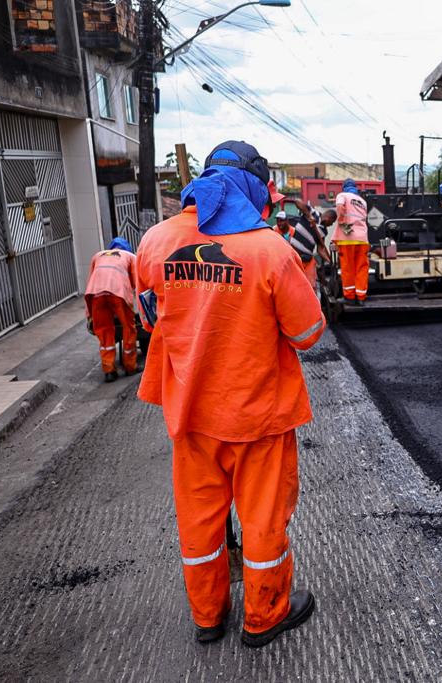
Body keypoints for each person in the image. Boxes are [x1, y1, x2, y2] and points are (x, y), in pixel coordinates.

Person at [135, 140, 325, 647]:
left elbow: (151, 319)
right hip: (258, 417)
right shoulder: (269, 250)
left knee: (200, 522)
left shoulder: (154, 242)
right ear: (254, 186)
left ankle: (207, 617)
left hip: (190, 415)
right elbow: (307, 335)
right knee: (263, 522)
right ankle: (264, 617)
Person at [84, 237, 138, 382]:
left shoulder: (98, 255)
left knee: (104, 330)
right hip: (118, 292)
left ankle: (109, 370)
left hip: (95, 294)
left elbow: (91, 279)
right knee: (129, 328)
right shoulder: (130, 256)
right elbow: (135, 283)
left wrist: (89, 314)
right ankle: (130, 366)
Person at [333, 179, 369, 304]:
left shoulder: (342, 195)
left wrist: (343, 224)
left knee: (348, 268)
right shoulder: (362, 201)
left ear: (344, 187)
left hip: (348, 239)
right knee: (361, 267)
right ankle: (361, 296)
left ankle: (349, 297)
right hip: (363, 239)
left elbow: (339, 207)